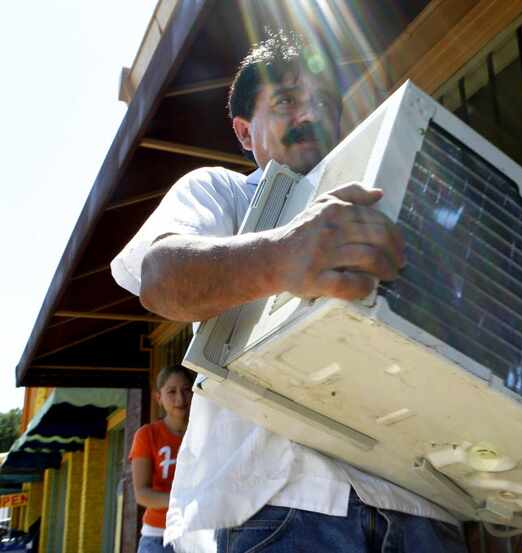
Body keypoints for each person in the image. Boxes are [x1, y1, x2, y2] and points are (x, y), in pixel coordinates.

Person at [111, 29, 467, 553]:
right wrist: (284, 255)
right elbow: (161, 279)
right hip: (285, 505)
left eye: (323, 101)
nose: (309, 113)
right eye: (285, 101)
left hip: (424, 505)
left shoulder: (391, 204)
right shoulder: (221, 192)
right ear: (243, 131)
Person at [129, 364, 194, 553]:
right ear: (159, 398)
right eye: (171, 392)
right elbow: (142, 494)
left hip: (200, 535)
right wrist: (183, 499)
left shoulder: (205, 433)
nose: (180, 398)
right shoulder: (147, 435)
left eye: (186, 390)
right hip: (159, 537)